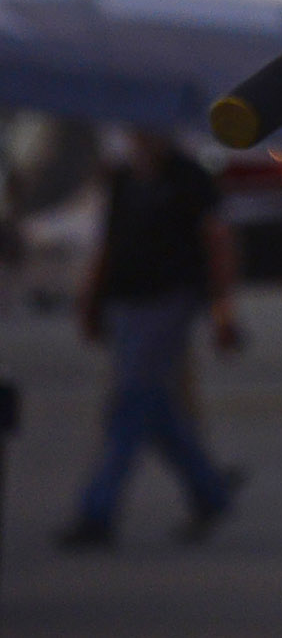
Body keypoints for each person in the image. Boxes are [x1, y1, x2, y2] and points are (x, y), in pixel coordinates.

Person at [57, 125, 244, 548]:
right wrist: (91, 299)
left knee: (128, 405)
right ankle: (209, 490)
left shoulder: (187, 178)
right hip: (126, 304)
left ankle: (97, 512)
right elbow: (110, 242)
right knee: (153, 407)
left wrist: (222, 309)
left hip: (167, 302)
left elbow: (217, 241)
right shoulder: (124, 179)